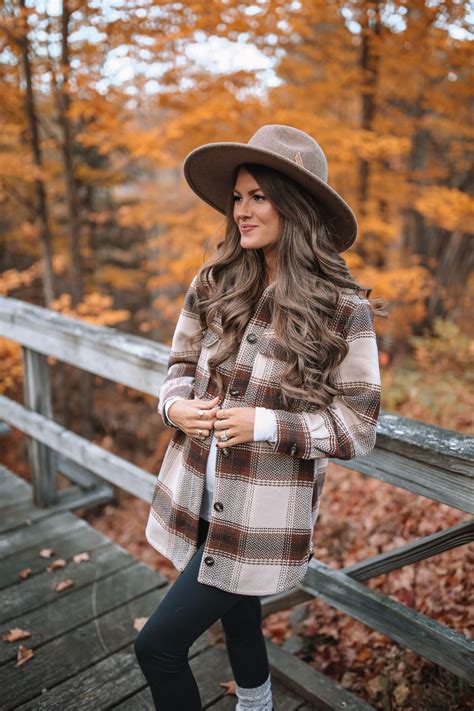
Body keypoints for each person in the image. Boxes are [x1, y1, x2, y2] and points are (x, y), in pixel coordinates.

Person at [134, 124, 384, 710]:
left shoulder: (343, 311)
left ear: (293, 207)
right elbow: (176, 364)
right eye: (237, 198)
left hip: (261, 519)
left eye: (259, 197)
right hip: (197, 493)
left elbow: (357, 425)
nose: (241, 211)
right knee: (239, 612)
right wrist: (176, 406)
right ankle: (256, 703)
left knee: (158, 648)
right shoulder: (215, 283)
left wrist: (267, 424)